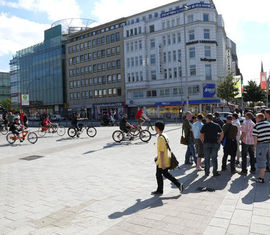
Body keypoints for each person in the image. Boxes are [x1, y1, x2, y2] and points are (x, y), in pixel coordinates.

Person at [152, 120, 184, 195]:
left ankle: (160, 190)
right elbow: (164, 149)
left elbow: (162, 151)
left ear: (157, 128)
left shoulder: (160, 138)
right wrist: (157, 156)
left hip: (162, 160)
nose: (155, 128)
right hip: (165, 158)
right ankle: (178, 185)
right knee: (164, 174)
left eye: (155, 127)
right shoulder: (164, 135)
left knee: (159, 175)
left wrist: (162, 163)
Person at [252, 113, 270, 183]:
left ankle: (261, 178)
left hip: (261, 145)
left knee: (262, 161)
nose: (255, 119)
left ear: (259, 118)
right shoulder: (268, 124)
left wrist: (254, 146)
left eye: (256, 117)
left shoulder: (256, 126)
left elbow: (255, 138)